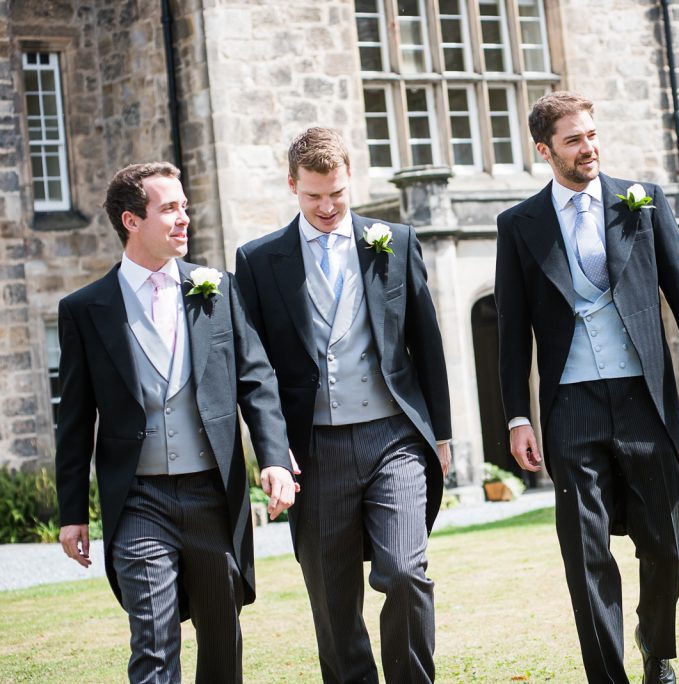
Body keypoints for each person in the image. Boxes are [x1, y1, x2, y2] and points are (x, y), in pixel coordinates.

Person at [494, 91, 679, 684]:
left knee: (670, 542)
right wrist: (518, 417)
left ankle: (656, 638)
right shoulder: (519, 225)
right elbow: (510, 331)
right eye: (574, 140)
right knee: (586, 552)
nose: (589, 148)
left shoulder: (642, 203)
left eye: (593, 134)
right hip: (569, 405)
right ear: (545, 150)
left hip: (641, 397)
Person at [55, 162, 295, 683]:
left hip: (212, 492)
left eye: (184, 207)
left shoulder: (216, 289)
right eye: (169, 209)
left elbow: (256, 381)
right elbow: (73, 420)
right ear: (131, 220)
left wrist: (274, 458)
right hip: (138, 499)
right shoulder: (85, 309)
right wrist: (71, 511)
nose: (184, 218)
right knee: (154, 640)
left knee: (220, 635)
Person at [235, 127, 452, 683]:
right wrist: (273, 452)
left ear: (350, 179)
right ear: (292, 186)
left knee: (405, 573)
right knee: (333, 599)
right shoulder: (258, 260)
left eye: (337, 193)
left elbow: (427, 342)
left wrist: (442, 434)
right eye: (314, 196)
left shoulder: (396, 242)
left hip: (393, 437)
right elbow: (254, 370)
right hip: (315, 447)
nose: (328, 207)